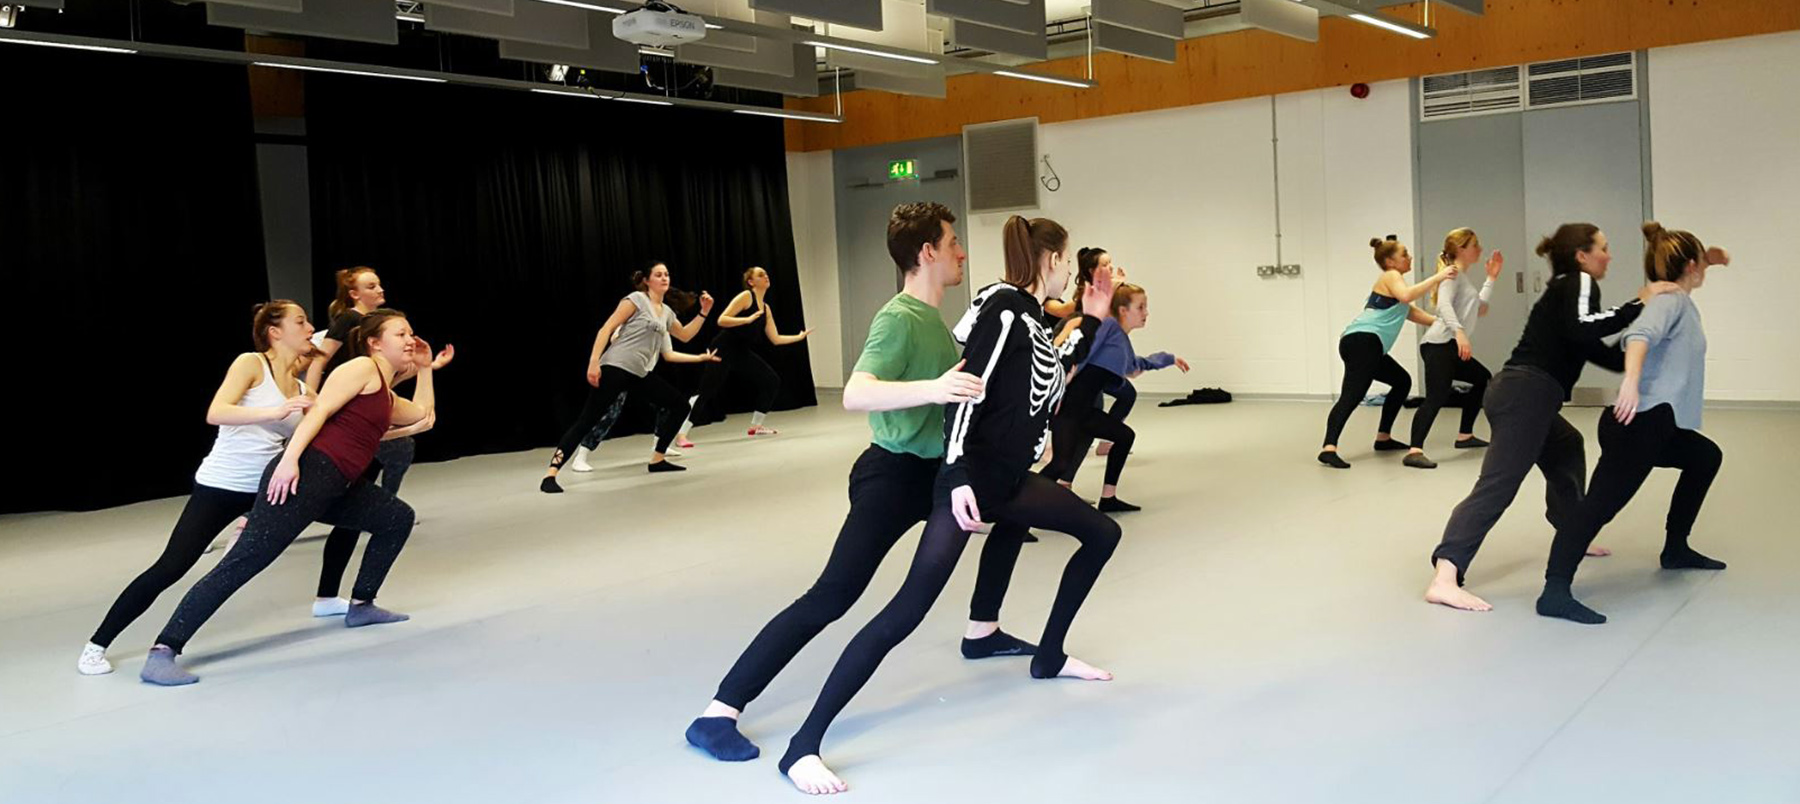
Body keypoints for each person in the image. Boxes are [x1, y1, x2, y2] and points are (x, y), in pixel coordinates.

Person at [778, 215, 1122, 796]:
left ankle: (1047, 655)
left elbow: (1046, 382)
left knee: (1101, 534)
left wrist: (1091, 318)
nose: (1070, 272)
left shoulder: (1032, 316)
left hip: (1009, 479)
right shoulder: (1005, 308)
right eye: (1066, 262)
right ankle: (801, 746)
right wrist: (958, 475)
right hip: (972, 481)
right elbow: (964, 392)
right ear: (1053, 262)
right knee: (904, 612)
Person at [685, 202, 1034, 765]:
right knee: (832, 597)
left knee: (1017, 513)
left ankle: (983, 629)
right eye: (953, 243)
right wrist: (935, 388)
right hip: (892, 477)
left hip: (935, 473)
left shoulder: (936, 323)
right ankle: (717, 712)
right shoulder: (898, 317)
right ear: (927, 253)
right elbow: (856, 392)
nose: (962, 252)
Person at [140, 310, 439, 686]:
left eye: (412, 332)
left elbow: (425, 415)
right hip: (308, 475)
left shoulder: (385, 393)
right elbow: (322, 412)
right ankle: (163, 651)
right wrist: (290, 460)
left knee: (396, 518)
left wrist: (425, 368)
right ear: (375, 342)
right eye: (401, 333)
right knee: (246, 560)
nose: (411, 339)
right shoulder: (361, 368)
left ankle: (361, 605)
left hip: (339, 484)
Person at [1424, 223, 1681, 613]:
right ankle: (1446, 575)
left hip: (1526, 393)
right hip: (1526, 392)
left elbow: (1594, 348)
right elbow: (1584, 330)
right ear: (1582, 255)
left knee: (1566, 444)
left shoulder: (1567, 289)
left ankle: (1570, 528)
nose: (1609, 256)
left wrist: (1641, 358)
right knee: (1499, 483)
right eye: (1604, 248)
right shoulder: (1578, 281)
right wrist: (1639, 302)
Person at [78, 302, 315, 676]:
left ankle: (341, 599)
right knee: (171, 567)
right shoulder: (251, 364)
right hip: (221, 485)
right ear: (275, 331)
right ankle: (96, 645)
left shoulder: (302, 388)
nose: (309, 327)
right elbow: (216, 412)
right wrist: (276, 412)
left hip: (262, 491)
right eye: (300, 321)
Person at [1535, 224, 1731, 624]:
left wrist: (1709, 258)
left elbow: (1685, 270)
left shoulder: (1678, 295)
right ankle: (1554, 590)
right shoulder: (1668, 303)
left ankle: (1676, 549)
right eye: (1701, 264)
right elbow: (1638, 335)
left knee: (1705, 457)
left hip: (1661, 423)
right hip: (1638, 423)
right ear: (1690, 267)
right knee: (1598, 509)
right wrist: (1629, 381)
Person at [308, 266, 453, 617]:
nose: (379, 288)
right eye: (370, 285)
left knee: (361, 510)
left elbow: (395, 387)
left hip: (367, 416)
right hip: (341, 423)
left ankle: (332, 597)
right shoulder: (348, 323)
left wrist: (427, 367)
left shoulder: (382, 335)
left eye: (379, 282)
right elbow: (319, 362)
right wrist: (313, 399)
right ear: (354, 293)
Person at [540, 264, 717, 492]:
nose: (664, 278)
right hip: (615, 367)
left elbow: (684, 335)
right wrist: (594, 362)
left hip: (639, 373)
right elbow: (606, 329)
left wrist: (704, 312)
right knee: (587, 420)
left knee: (680, 406)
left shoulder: (666, 312)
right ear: (647, 280)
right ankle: (550, 475)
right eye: (658, 275)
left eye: (666, 274)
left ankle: (657, 459)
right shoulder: (635, 300)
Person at [1041, 282, 1189, 512]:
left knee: (1124, 436)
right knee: (1059, 464)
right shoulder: (1108, 327)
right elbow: (1079, 354)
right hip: (1067, 409)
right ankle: (1017, 516)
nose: (1146, 313)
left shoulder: (1121, 339)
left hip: (1084, 412)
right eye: (1140, 307)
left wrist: (1167, 359)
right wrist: (1058, 389)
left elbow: (1134, 366)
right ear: (1123, 310)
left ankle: (1108, 499)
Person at [1318, 236, 1453, 469]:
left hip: (1367, 344)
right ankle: (1328, 448)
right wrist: (1439, 277)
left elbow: (1413, 313)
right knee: (1352, 395)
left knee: (1401, 381)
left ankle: (1383, 438)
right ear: (1390, 261)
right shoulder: (1391, 277)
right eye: (1405, 254)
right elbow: (1407, 296)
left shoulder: (1396, 287)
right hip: (1363, 342)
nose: (1409, 257)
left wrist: (1447, 324)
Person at [676, 266, 811, 442]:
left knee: (771, 380)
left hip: (740, 351)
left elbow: (775, 339)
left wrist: (798, 337)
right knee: (706, 391)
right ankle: (681, 434)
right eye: (760, 275)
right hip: (722, 348)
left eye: (766, 274)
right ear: (751, 282)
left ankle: (756, 426)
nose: (766, 276)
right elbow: (722, 319)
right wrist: (746, 319)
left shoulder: (766, 309)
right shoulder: (746, 297)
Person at [1404, 228, 1503, 469]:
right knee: (1437, 395)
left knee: (1482, 378)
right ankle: (1414, 451)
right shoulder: (1451, 274)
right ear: (1460, 249)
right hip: (1438, 345)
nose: (1479, 250)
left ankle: (1465, 436)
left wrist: (1491, 278)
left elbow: (1480, 308)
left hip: (1449, 345)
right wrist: (1459, 333)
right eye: (1474, 245)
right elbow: (1444, 306)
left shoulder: (1463, 277)